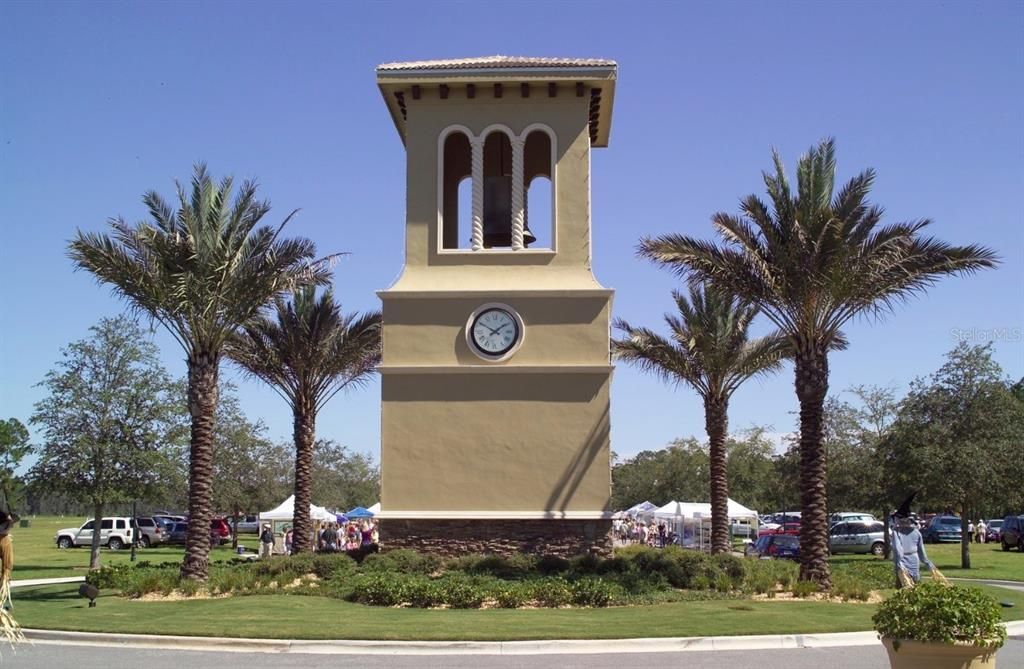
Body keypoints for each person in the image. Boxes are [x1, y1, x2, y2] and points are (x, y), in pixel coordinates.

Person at [889, 494, 934, 587]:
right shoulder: (916, 532)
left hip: (904, 562)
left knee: (903, 587)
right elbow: (922, 553)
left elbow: (898, 550)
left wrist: (899, 563)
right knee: (914, 586)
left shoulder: (896, 532)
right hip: (914, 560)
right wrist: (928, 563)